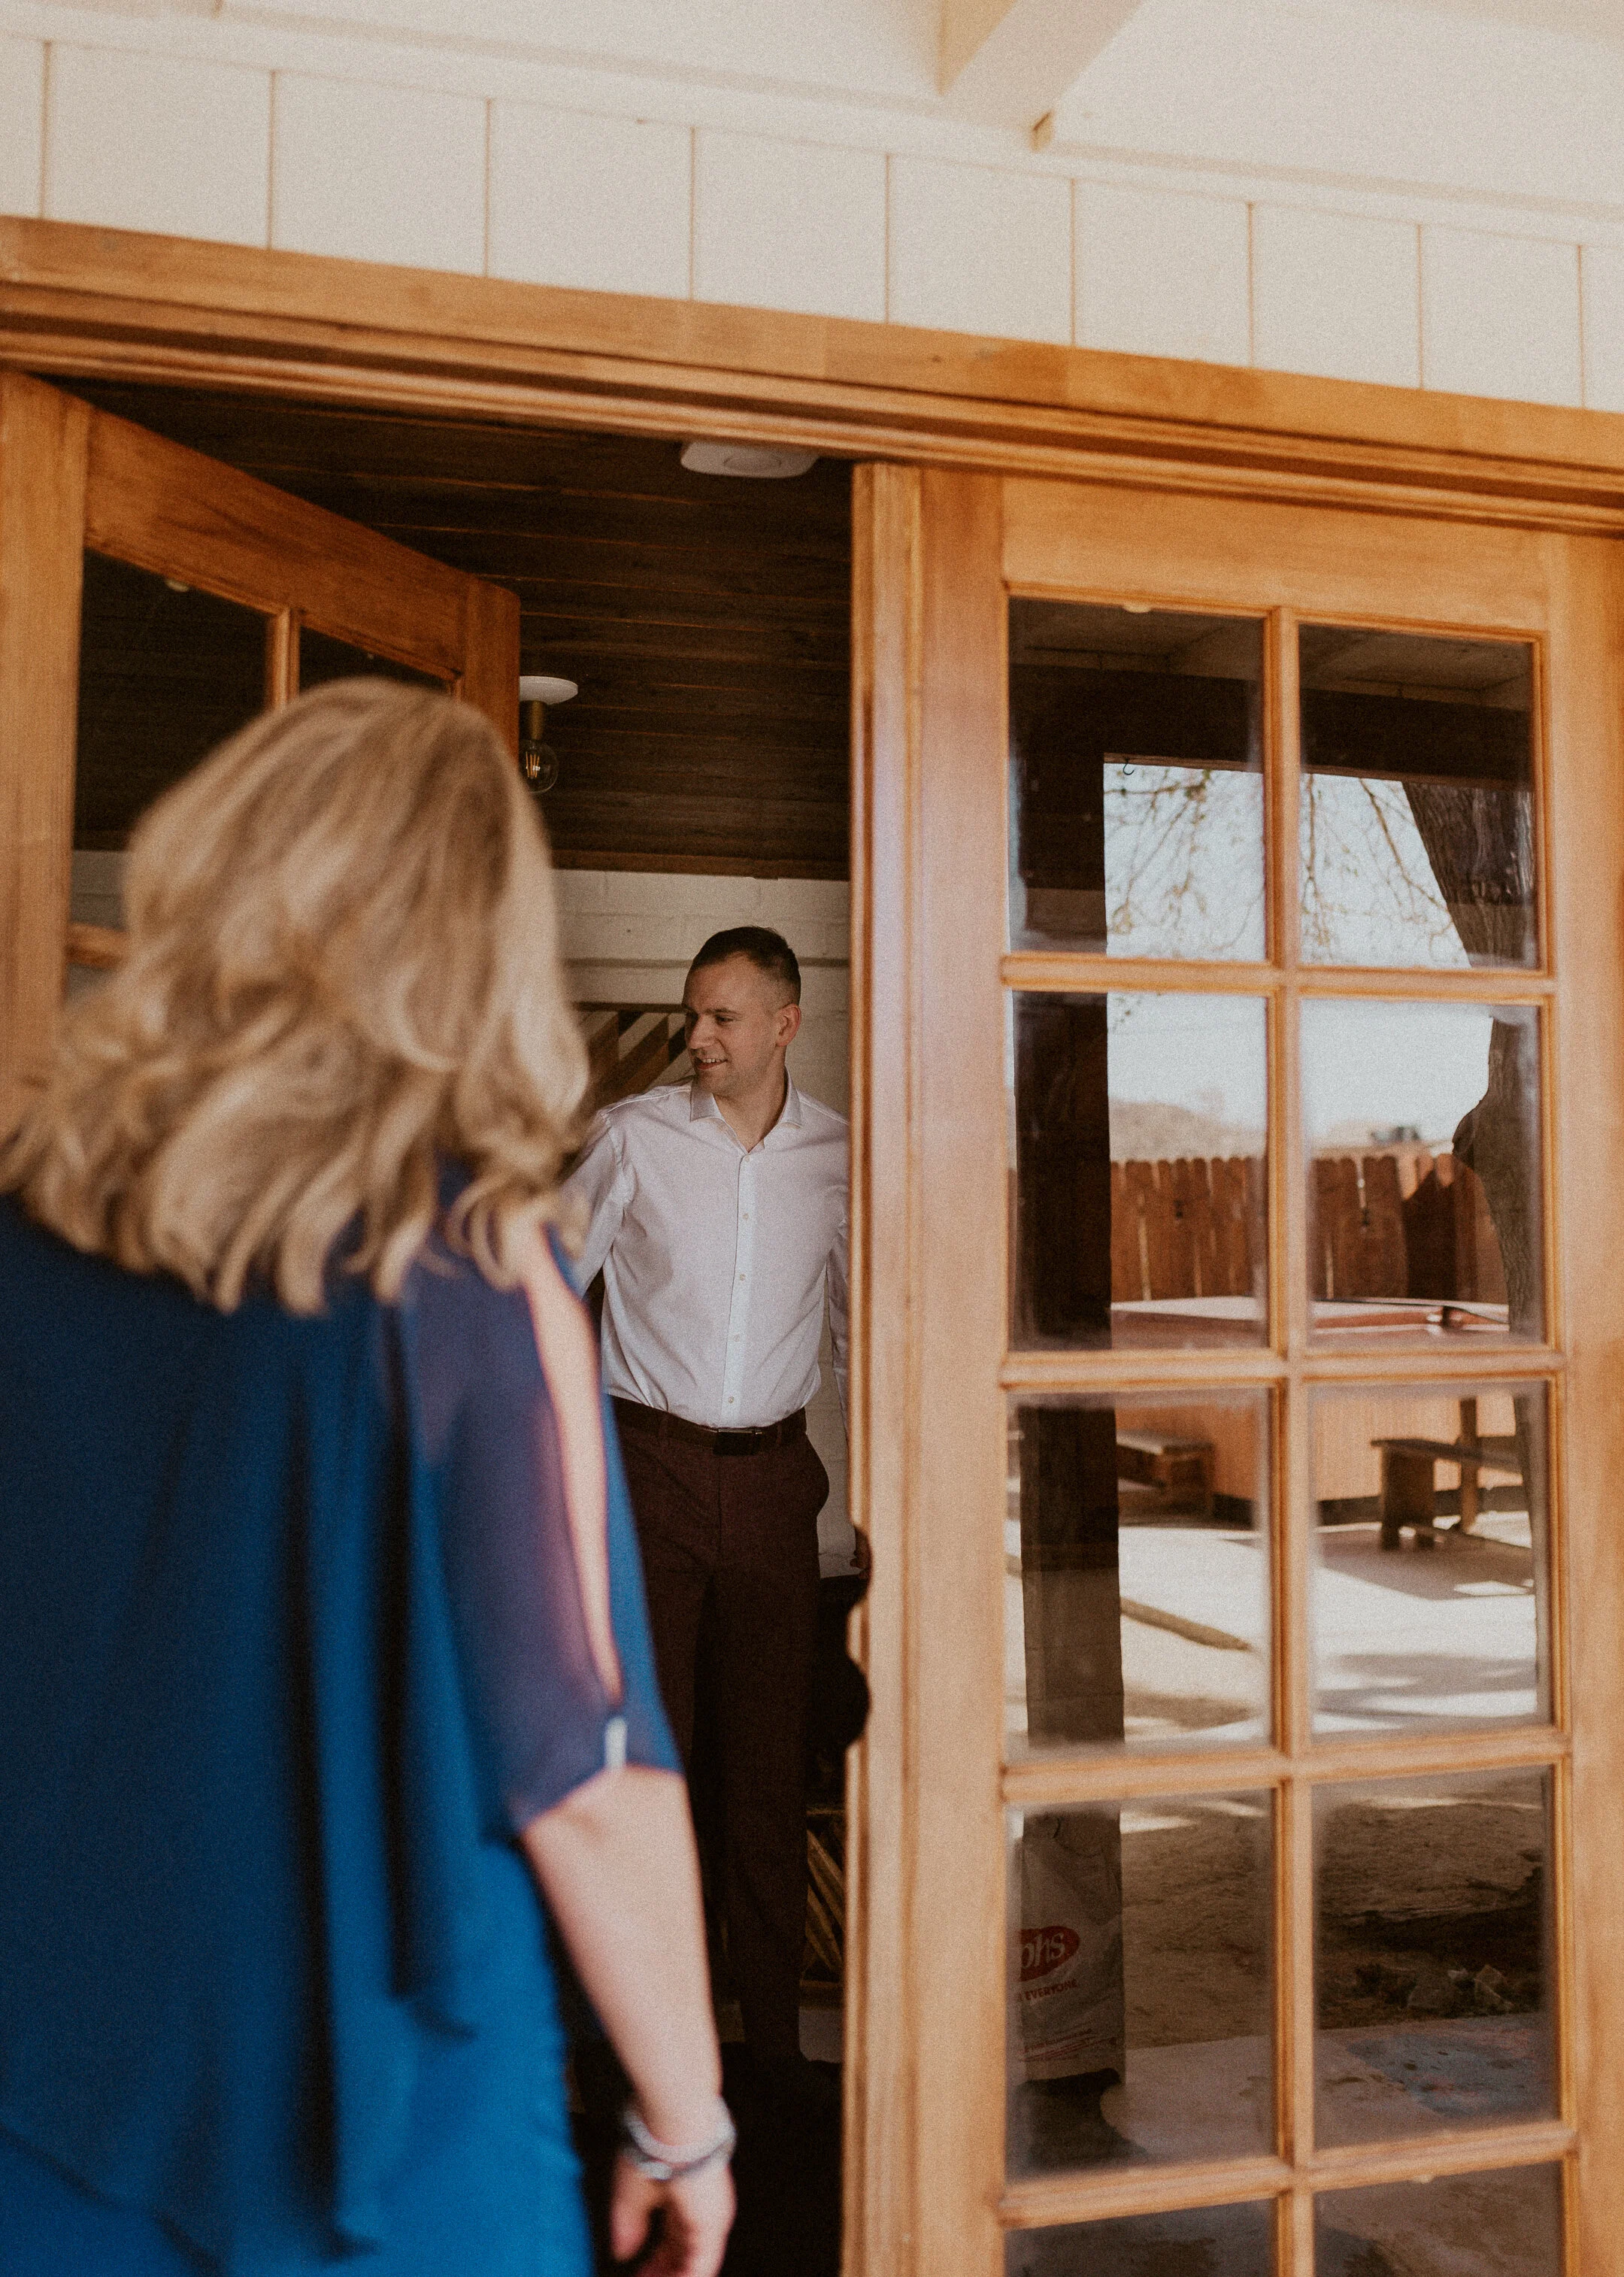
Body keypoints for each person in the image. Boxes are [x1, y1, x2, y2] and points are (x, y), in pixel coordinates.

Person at [0, 681, 734, 2277]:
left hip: (45, 2075)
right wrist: (688, 2122)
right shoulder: (468, 1271)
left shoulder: (24, 1217)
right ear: (478, 950)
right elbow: (583, 1773)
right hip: (377, 2114)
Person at [565, 927, 848, 2115]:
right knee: (649, 1774)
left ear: (785, 1022)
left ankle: (775, 2057)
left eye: (724, 1018)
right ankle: (638, 2056)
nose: (699, 1038)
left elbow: (863, 1329)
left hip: (777, 1489)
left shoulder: (840, 1154)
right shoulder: (630, 1136)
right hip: (648, 1478)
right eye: (694, 1015)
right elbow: (540, 1287)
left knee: (771, 1777)